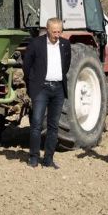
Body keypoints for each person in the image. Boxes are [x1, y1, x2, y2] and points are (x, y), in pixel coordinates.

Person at [22, 17, 71, 169]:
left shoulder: (65, 44)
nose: (57, 35)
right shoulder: (36, 44)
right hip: (41, 89)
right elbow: (27, 66)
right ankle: (34, 157)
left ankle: (48, 159)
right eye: (55, 32)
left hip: (58, 90)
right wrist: (33, 86)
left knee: (53, 126)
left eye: (60, 32)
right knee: (36, 123)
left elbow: (66, 65)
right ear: (47, 30)